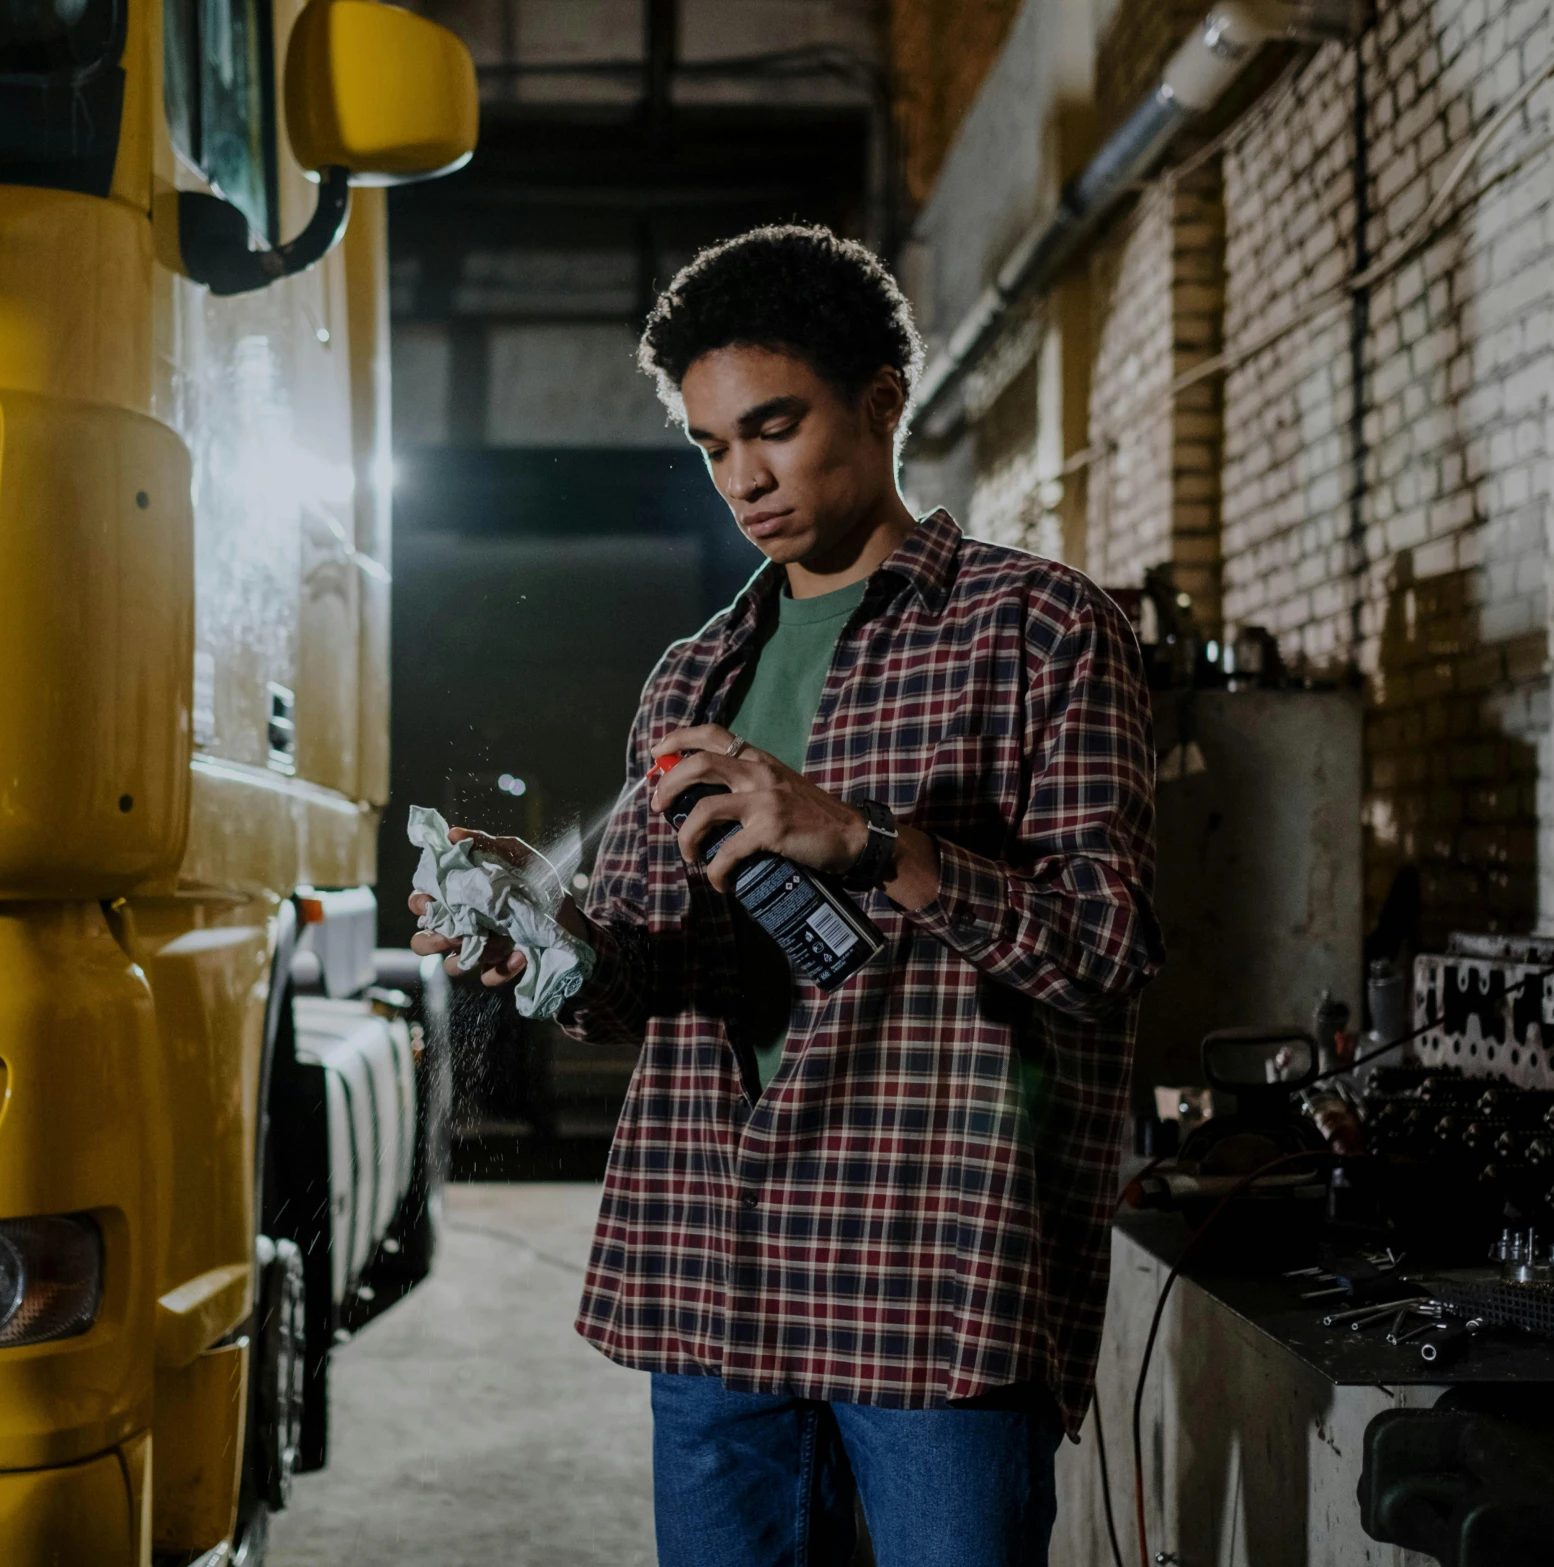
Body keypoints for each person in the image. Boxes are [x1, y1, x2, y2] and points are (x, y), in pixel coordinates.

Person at [409, 224, 1161, 1567]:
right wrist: (545, 934)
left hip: (925, 1269)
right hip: (716, 1267)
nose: (741, 478)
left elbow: (1103, 950)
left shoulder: (1038, 631)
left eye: (772, 425)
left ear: (879, 402)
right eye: (709, 445)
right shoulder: (690, 675)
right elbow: (650, 976)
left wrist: (869, 841)